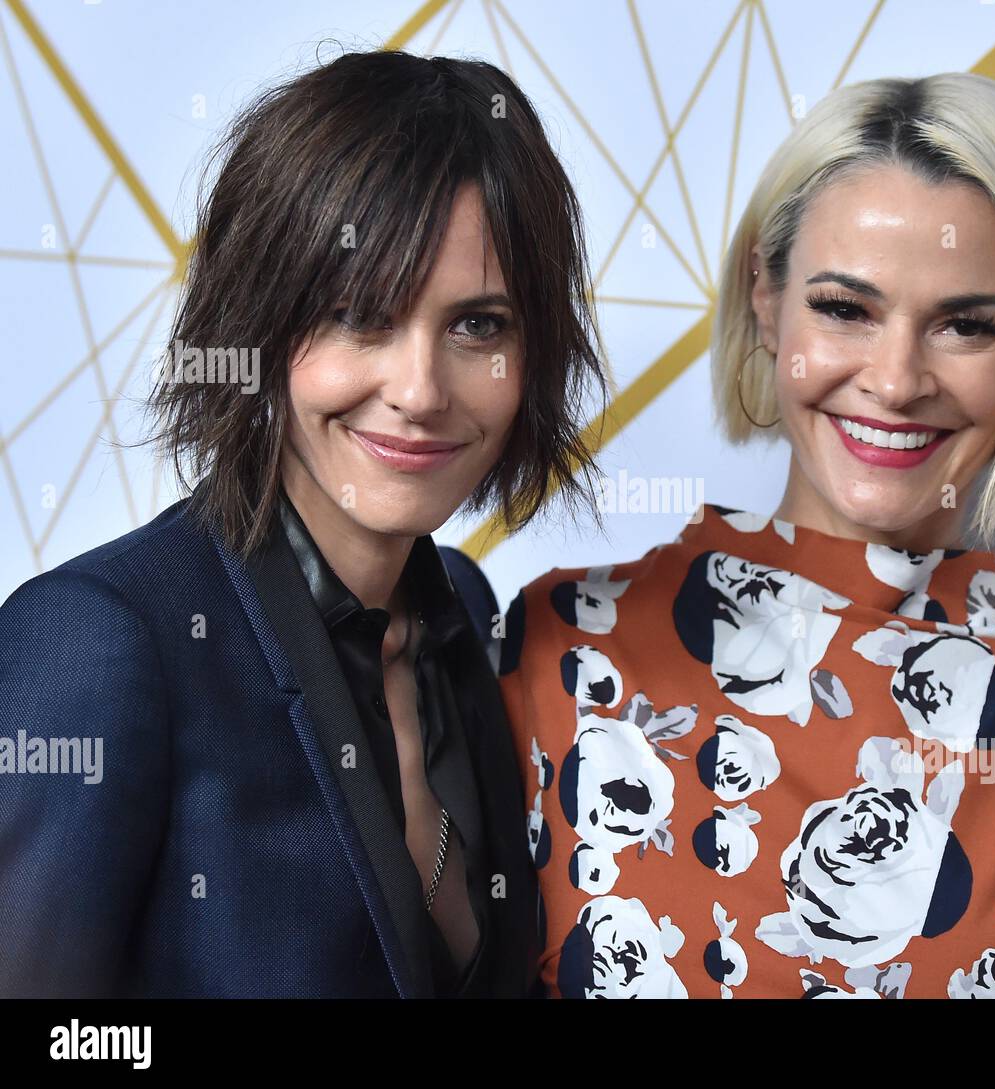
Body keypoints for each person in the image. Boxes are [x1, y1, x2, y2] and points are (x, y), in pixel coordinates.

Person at [496, 74, 995, 998]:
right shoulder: (559, 643)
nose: (895, 380)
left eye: (966, 325)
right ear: (764, 297)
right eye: (847, 309)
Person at [0, 49, 607, 998]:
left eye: (478, 325)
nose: (418, 391)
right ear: (257, 324)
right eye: (358, 315)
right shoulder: (100, 639)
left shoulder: (466, 613)